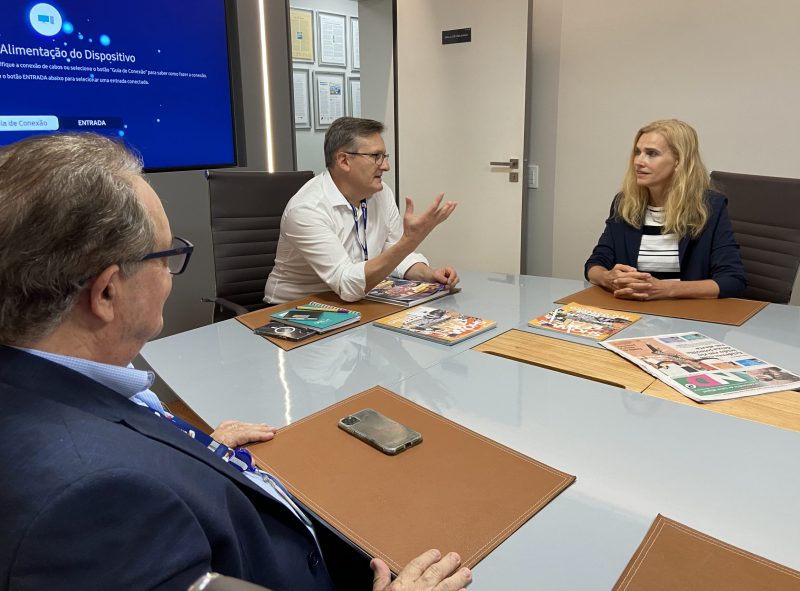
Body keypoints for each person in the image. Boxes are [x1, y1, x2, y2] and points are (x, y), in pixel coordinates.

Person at [0, 133, 473, 591]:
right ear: (106, 292)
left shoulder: (52, 385)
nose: (170, 276)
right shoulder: (89, 498)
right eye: (167, 256)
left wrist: (193, 446)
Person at [264, 117, 459, 304]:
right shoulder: (307, 209)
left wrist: (428, 274)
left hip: (355, 301)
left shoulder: (381, 193)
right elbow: (347, 284)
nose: (386, 166)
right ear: (344, 161)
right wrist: (410, 241)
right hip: (295, 310)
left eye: (384, 157)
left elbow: (394, 253)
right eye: (376, 156)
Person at [585, 119, 746, 300]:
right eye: (637, 152)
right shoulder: (625, 203)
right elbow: (595, 263)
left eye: (652, 154)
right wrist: (607, 278)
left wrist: (665, 289)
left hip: (685, 311)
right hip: (631, 309)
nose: (638, 161)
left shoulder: (709, 206)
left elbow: (733, 281)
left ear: (679, 161)